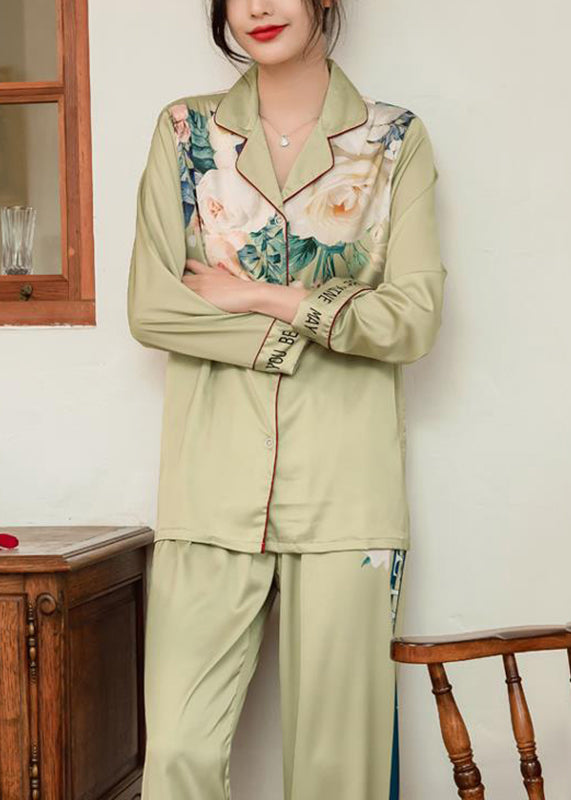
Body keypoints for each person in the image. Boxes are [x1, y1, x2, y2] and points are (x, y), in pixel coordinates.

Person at [127, 0, 447, 797]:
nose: (258, 8)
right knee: (176, 755)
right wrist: (315, 330)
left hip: (346, 495)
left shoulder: (392, 141)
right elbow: (153, 307)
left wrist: (264, 298)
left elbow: (411, 319)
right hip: (208, 487)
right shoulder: (185, 134)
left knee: (337, 773)